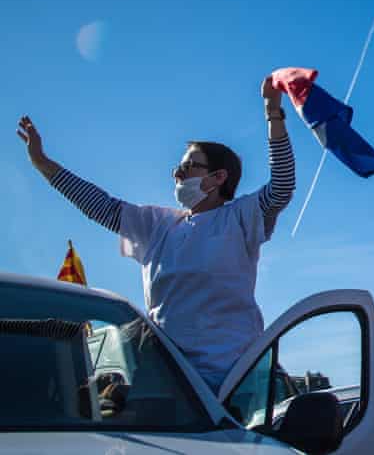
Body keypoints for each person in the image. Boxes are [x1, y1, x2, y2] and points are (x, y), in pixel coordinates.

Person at [16, 76, 295, 392]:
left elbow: (282, 187)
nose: (178, 173)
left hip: (236, 381)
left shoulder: (240, 217)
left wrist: (273, 112)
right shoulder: (157, 224)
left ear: (218, 177)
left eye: (189, 166)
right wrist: (42, 163)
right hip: (169, 383)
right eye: (177, 167)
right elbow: (100, 206)